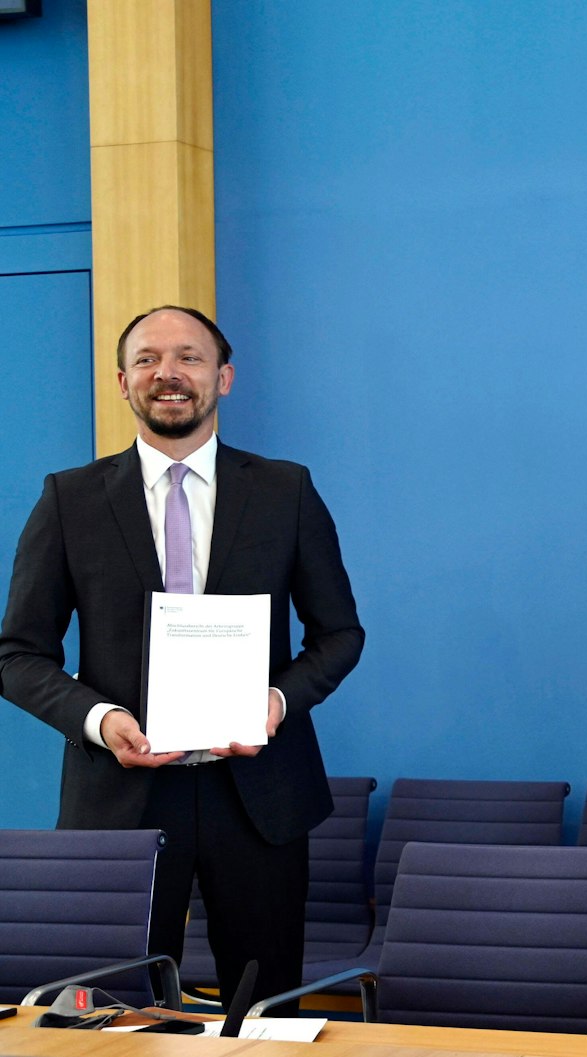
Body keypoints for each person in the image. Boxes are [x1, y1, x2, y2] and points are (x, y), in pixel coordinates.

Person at [0, 306, 365, 1008]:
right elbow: (17, 654)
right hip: (119, 798)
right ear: (122, 381)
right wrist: (101, 720)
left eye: (189, 357)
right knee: (114, 1015)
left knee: (266, 1017)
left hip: (259, 797)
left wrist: (276, 702)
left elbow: (339, 634)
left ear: (223, 377)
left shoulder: (285, 490)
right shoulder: (69, 499)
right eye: (147, 359)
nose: (167, 373)